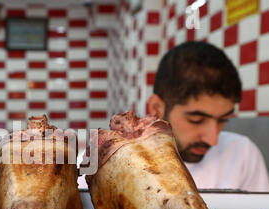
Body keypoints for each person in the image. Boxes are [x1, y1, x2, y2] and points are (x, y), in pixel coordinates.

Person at [78, 41, 269, 192]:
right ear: (156, 108)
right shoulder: (103, 159)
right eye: (196, 120)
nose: (213, 139)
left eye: (222, 120)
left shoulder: (242, 153)